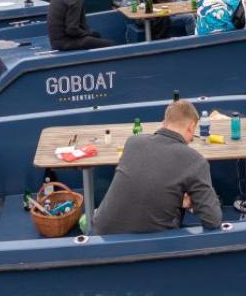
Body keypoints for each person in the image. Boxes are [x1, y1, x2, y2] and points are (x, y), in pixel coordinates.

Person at [93, 100, 222, 235]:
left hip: (101, 235)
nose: (191, 139)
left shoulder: (133, 142)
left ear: (164, 123)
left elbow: (140, 184)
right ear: (191, 127)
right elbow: (212, 220)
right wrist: (194, 203)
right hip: (152, 245)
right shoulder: (195, 161)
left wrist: (178, 199)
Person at [48, 0, 115, 50]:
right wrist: (88, 33)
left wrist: (89, 33)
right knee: (111, 44)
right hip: (63, 42)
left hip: (55, 39)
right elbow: (72, 30)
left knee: (96, 35)